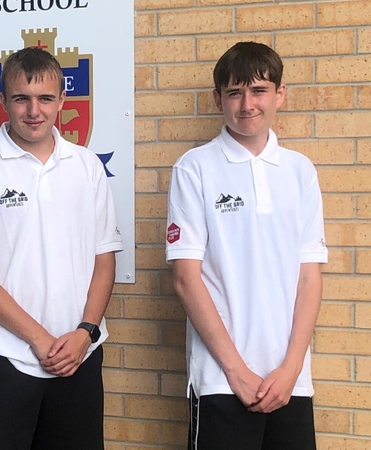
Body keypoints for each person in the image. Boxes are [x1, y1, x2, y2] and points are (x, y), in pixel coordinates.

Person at [0, 47, 123, 449]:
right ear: (3, 102)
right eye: (21, 98)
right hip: (3, 358)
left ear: (62, 101)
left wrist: (85, 332)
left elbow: (104, 258)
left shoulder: (86, 165)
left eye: (45, 98)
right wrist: (41, 340)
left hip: (78, 355)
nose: (34, 110)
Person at [166, 42, 327, 450]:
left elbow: (309, 278)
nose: (247, 104)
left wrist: (291, 368)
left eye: (258, 90)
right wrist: (236, 371)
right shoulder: (195, 168)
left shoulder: (299, 171)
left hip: (290, 381)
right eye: (235, 93)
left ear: (280, 94)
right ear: (218, 98)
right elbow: (186, 279)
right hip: (223, 380)